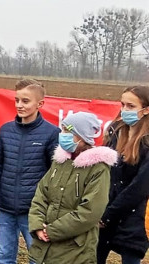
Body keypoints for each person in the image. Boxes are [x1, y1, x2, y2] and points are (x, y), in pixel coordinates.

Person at [0, 79, 59, 264]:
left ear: (40, 104)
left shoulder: (51, 133)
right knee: (5, 256)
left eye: (25, 101)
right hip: (6, 207)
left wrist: (49, 209)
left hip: (34, 211)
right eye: (17, 100)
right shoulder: (6, 130)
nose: (19, 105)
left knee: (37, 258)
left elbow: (54, 175)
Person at [29, 112, 117, 264]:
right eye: (62, 130)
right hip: (44, 248)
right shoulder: (60, 162)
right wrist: (37, 224)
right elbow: (41, 195)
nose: (62, 135)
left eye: (68, 131)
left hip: (75, 251)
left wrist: (51, 231)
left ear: (83, 137)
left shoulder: (98, 169)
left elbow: (90, 211)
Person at [98, 86, 149, 264]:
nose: (124, 110)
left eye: (130, 106)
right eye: (122, 105)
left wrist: (109, 215)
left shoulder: (147, 142)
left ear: (146, 110)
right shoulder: (115, 131)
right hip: (105, 213)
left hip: (134, 219)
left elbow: (140, 187)